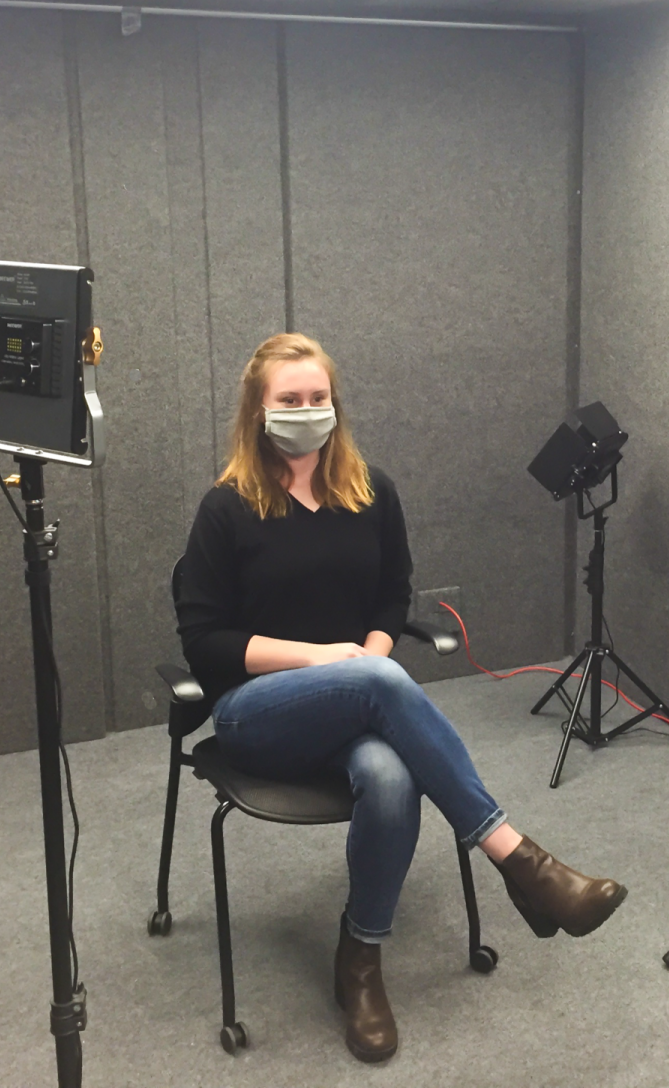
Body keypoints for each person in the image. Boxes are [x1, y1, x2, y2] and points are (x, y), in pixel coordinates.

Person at [177, 332, 627, 1063]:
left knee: (390, 778)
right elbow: (206, 642)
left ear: (335, 404)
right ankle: (518, 861)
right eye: (289, 400)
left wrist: (367, 665)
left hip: (356, 702)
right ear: (258, 412)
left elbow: (391, 602)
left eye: (317, 398)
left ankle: (359, 960)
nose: (306, 410)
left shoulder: (371, 492)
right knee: (377, 680)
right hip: (256, 712)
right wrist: (337, 662)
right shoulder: (226, 509)